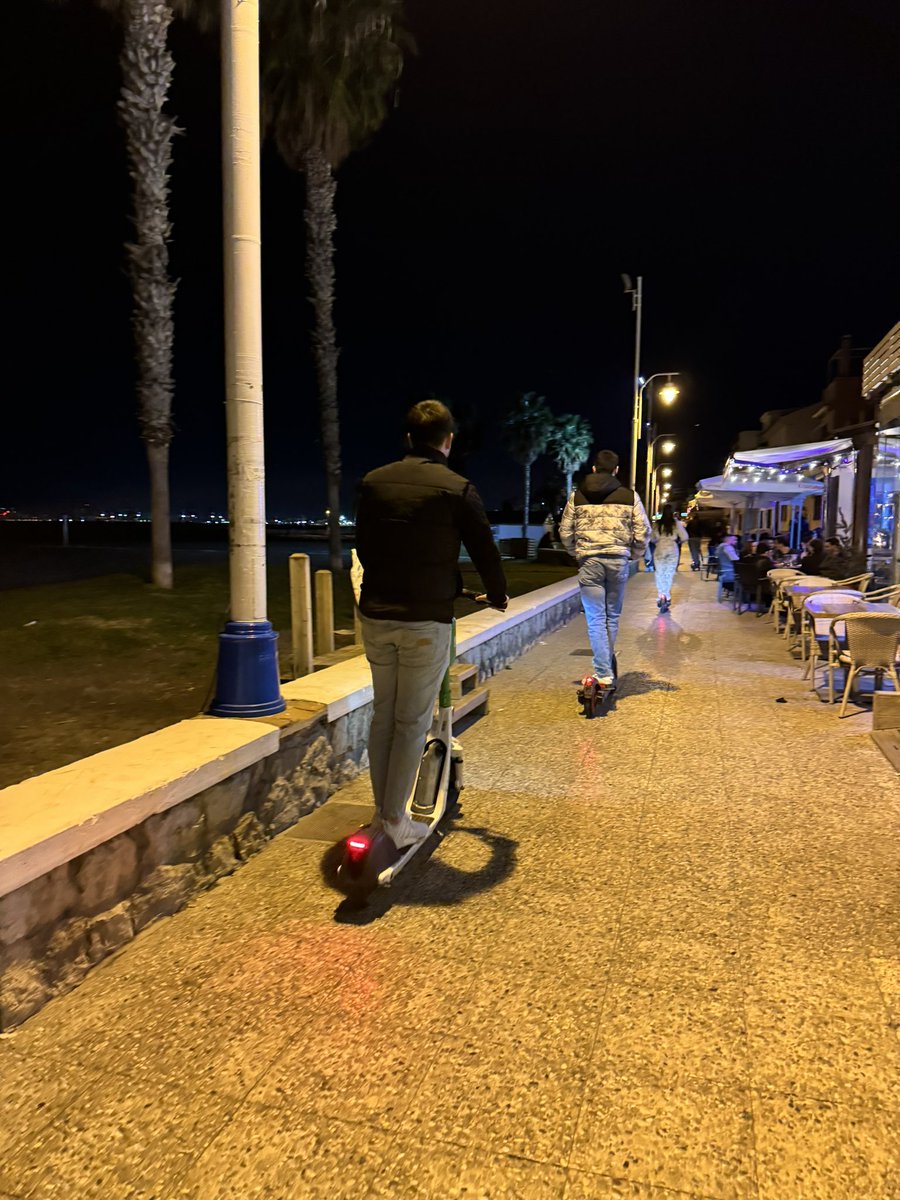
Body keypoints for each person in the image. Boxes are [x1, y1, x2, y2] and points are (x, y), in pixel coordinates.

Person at [355, 400, 508, 850]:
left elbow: (364, 544)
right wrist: (497, 594)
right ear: (448, 440)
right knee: (410, 722)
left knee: (384, 713)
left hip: (377, 615)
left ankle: (383, 809)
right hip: (425, 619)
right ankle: (392, 819)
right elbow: (485, 551)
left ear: (407, 439)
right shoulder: (456, 488)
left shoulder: (373, 482)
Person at [559, 448, 651, 694]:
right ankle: (605, 671)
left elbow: (565, 531)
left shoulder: (577, 497)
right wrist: (634, 553)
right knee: (611, 617)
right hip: (618, 562)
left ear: (593, 469)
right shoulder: (630, 497)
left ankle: (604, 672)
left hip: (589, 563)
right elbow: (644, 531)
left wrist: (574, 552)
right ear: (616, 470)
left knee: (596, 620)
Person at [651, 504, 689, 612]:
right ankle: (666, 597)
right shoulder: (676, 523)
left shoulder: (657, 524)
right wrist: (678, 541)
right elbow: (685, 537)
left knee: (660, 573)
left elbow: (652, 538)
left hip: (659, 548)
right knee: (669, 573)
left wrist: (658, 541)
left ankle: (660, 596)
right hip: (672, 549)